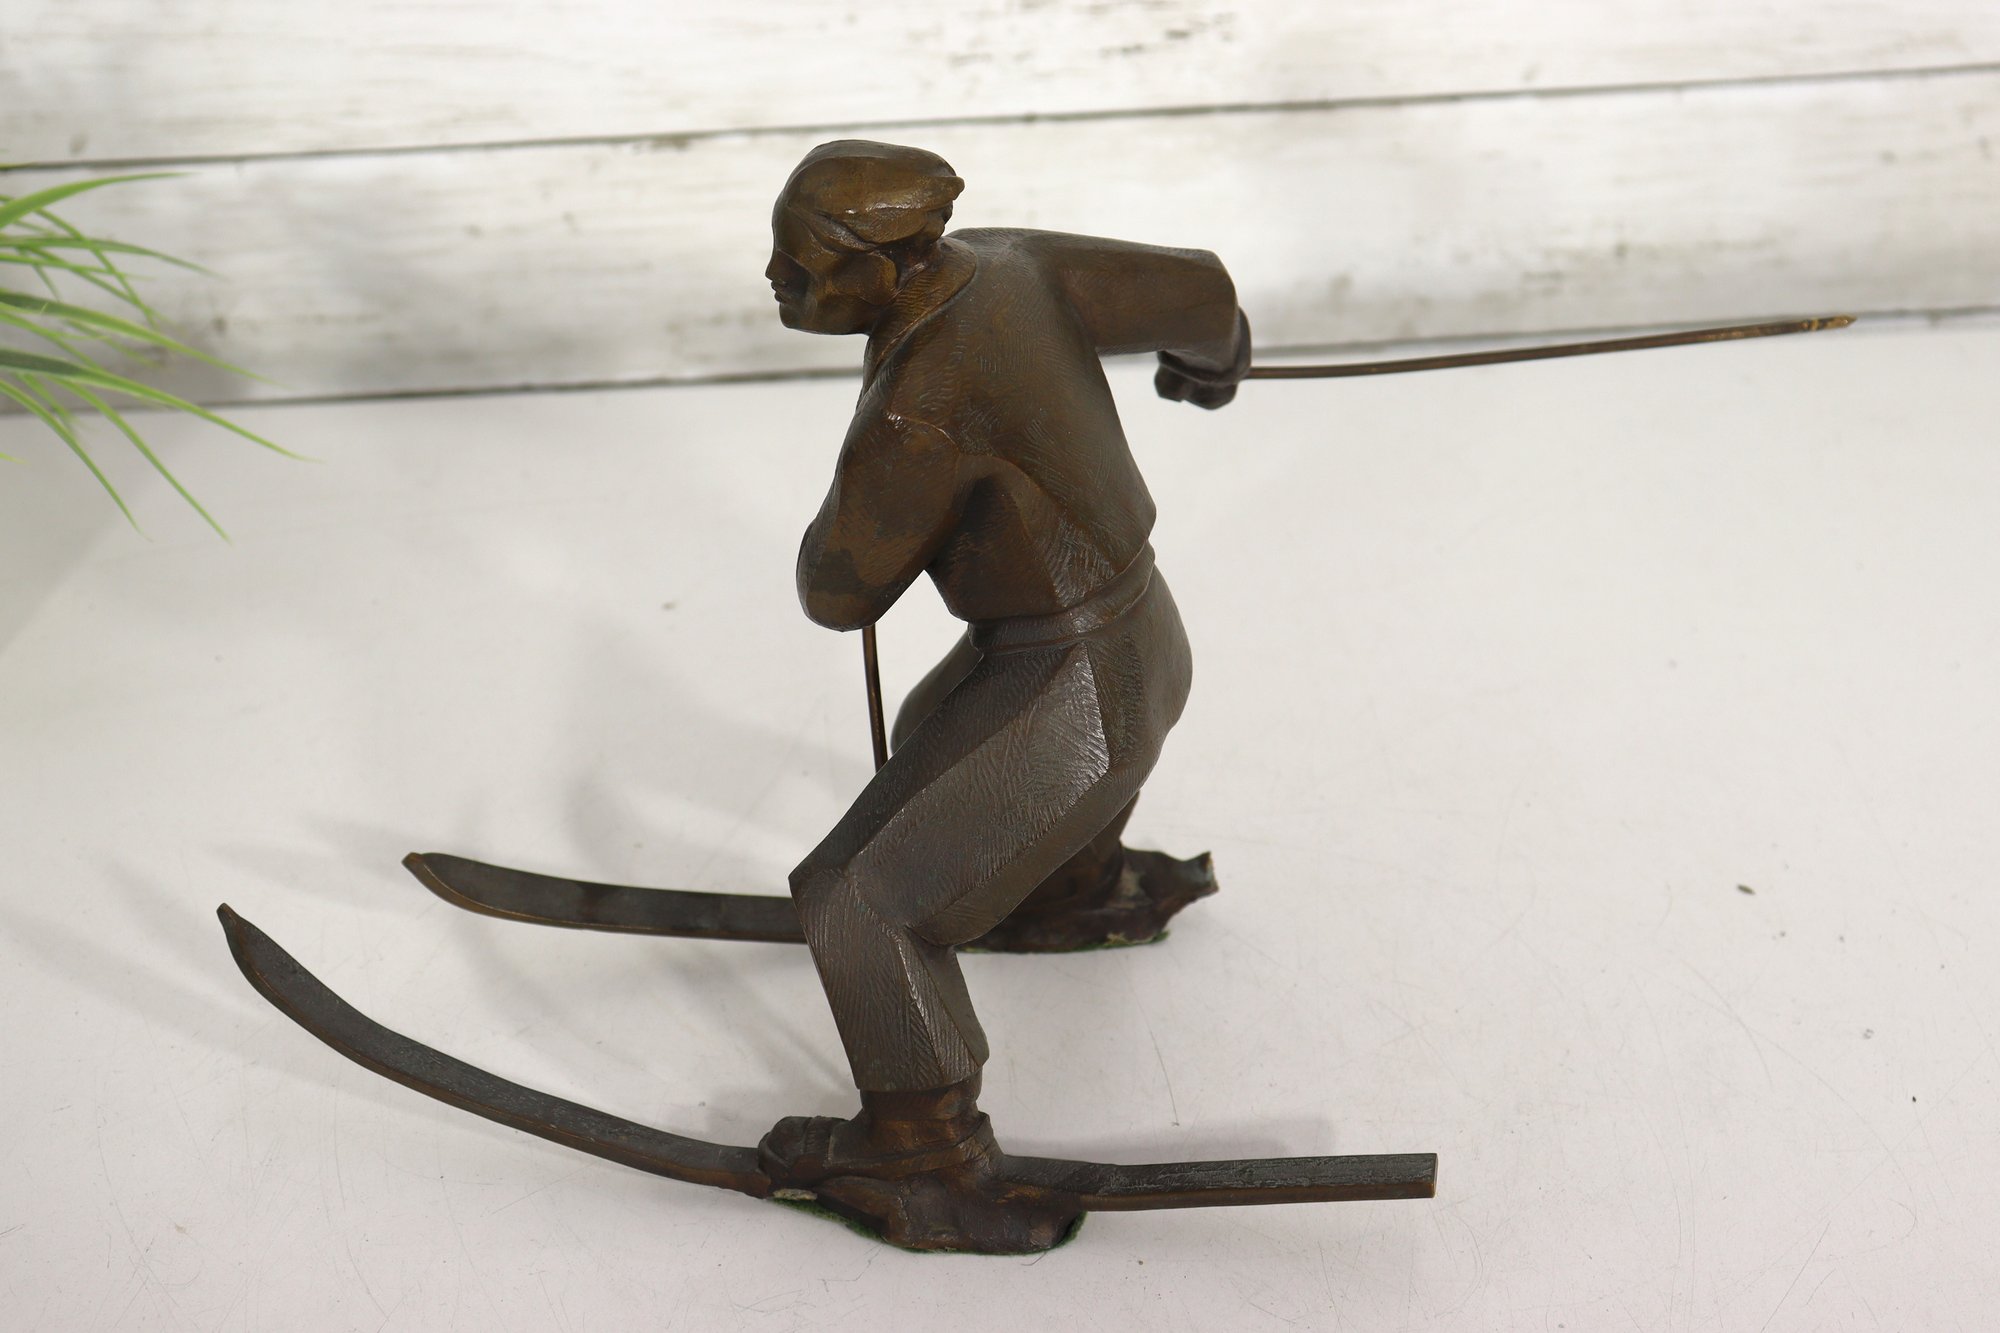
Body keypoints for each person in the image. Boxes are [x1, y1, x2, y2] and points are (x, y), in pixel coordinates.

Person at [759, 139, 1251, 1237]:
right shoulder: (1009, 266)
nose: (775, 279)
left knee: (853, 896)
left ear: (891, 262)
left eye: (803, 264)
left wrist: (852, 494)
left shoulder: (917, 411)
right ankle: (1067, 880)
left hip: (1072, 687)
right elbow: (1201, 290)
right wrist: (1215, 364)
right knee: (930, 730)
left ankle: (923, 1150)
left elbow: (837, 591)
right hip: (1142, 633)